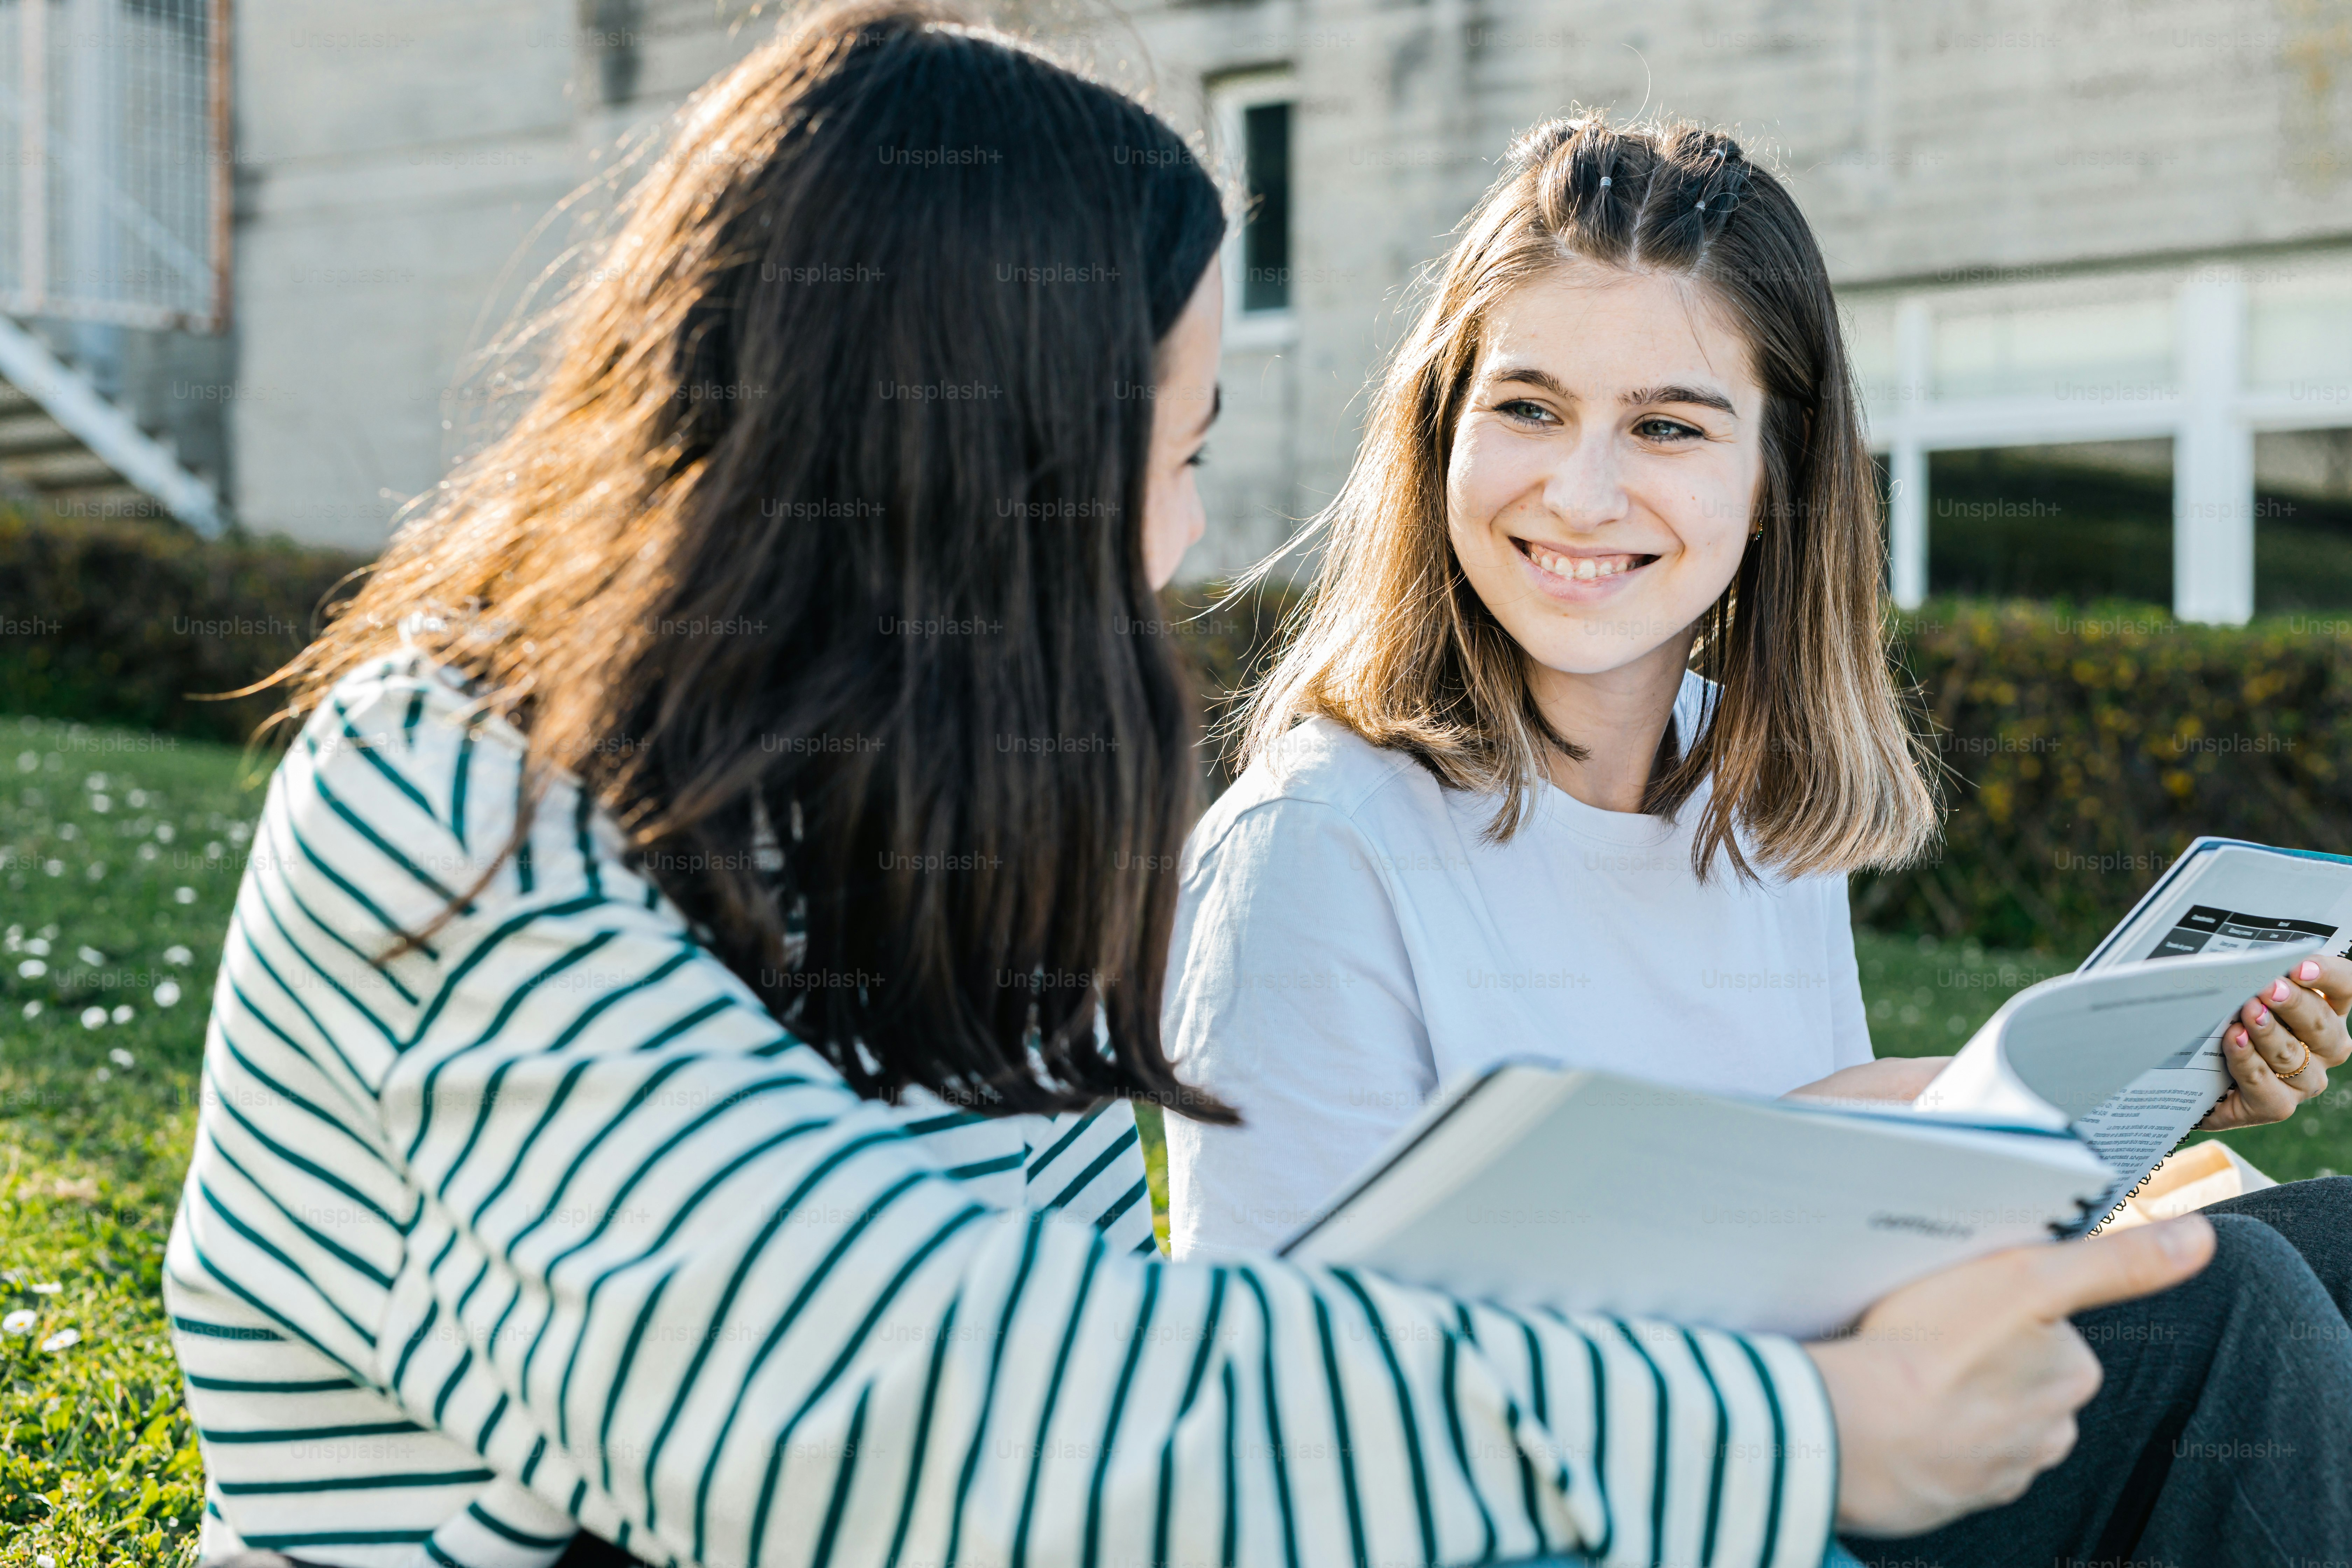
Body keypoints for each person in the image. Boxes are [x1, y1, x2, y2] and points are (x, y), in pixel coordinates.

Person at [169, 9, 2277, 1568]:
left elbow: (1099, 1362)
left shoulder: (939, 816)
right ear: (963, 438)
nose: (1173, 551)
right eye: (1164, 458)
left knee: (2285, 1274)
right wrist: (1780, 1433)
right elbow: (855, 1400)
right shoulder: (459, 791)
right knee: (2234, 1332)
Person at [1157, 113, 2352, 1566]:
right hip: (1596, 1514)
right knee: (2240, 1310)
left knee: (2324, 1243)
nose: (1580, 491)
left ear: (1779, 477)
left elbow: (1777, 1142)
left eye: (1666, 425)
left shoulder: (1752, 788)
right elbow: (1272, 1429)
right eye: (1527, 407)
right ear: (1441, 427)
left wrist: (2151, 1088)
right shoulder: (1314, 850)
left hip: (1801, 1424)